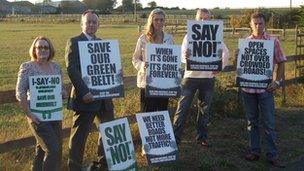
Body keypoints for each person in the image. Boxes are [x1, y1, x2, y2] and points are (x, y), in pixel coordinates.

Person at [65, 10, 114, 170]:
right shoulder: (73, 41)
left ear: (98, 24)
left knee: (107, 133)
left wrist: (115, 81)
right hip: (85, 98)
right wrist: (84, 91)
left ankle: (102, 165)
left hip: (104, 99)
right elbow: (71, 69)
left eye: (94, 22)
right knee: (79, 136)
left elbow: (108, 68)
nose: (91, 24)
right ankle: (74, 167)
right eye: (88, 22)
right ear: (82, 24)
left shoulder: (102, 43)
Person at [173, 8, 229, 146]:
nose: (203, 21)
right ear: (196, 20)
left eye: (206, 18)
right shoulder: (188, 36)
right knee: (182, 108)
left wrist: (219, 68)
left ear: (210, 20)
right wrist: (186, 58)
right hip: (190, 77)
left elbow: (226, 53)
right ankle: (175, 138)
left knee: (204, 110)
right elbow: (182, 56)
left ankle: (202, 137)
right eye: (201, 18)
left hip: (208, 78)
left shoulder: (216, 37)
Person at [237, 12, 286, 168]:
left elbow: (281, 62)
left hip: (266, 90)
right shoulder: (245, 42)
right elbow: (239, 66)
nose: (258, 26)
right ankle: (254, 151)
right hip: (248, 90)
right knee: (252, 122)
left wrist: (277, 82)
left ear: (265, 24)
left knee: (269, 123)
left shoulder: (273, 41)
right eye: (255, 23)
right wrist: (237, 57)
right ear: (251, 25)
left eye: (261, 23)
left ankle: (272, 155)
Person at [16, 36, 67, 171]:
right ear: (34, 50)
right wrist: (30, 115)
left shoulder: (56, 66)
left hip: (54, 115)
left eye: (46, 47)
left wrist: (63, 93)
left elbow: (61, 88)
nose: (43, 50)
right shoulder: (27, 67)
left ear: (50, 50)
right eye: (39, 47)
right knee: (53, 149)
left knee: (42, 149)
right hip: (37, 116)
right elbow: (20, 93)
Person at [132, 8, 174, 112]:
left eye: (161, 19)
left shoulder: (169, 38)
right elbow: (135, 59)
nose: (159, 22)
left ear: (164, 21)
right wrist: (143, 65)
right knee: (147, 112)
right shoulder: (143, 39)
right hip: (147, 82)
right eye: (156, 19)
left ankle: (161, 129)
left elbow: (172, 59)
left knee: (162, 111)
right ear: (151, 20)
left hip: (164, 82)